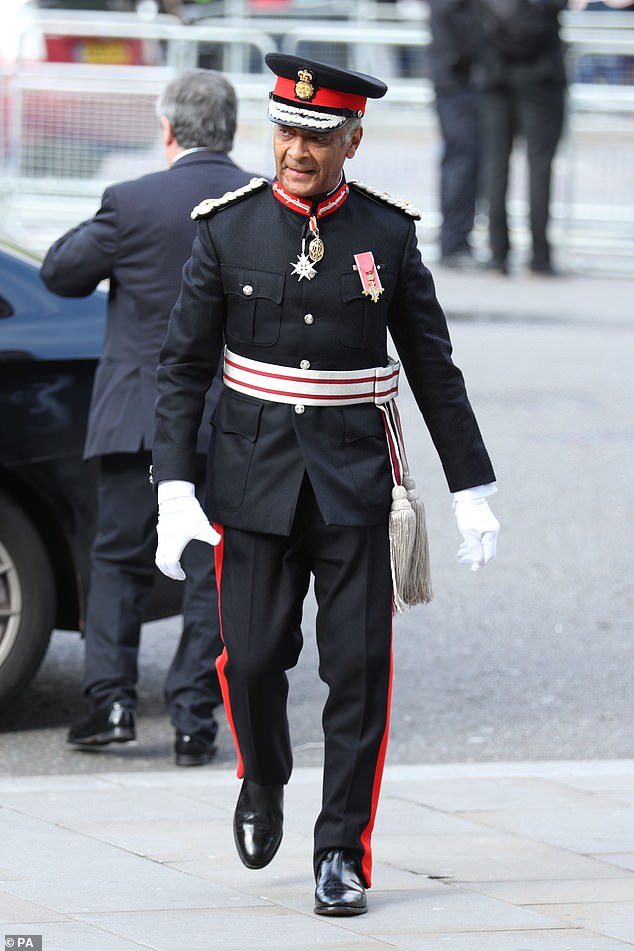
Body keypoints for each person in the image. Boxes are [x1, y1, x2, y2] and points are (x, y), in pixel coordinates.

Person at [151, 54, 500, 913]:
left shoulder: (388, 233)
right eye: (286, 130)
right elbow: (183, 367)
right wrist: (173, 487)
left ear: (352, 140)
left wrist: (471, 486)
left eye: (315, 135)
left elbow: (432, 367)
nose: (296, 148)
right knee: (255, 660)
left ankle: (341, 850)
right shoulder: (226, 228)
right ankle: (263, 776)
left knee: (361, 668)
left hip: (354, 483)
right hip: (253, 478)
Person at [40, 68, 255, 766]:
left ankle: (110, 703)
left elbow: (60, 272)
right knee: (210, 567)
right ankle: (195, 720)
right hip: (229, 417)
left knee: (118, 558)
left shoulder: (131, 201)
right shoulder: (261, 201)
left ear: (167, 131)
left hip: (139, 413)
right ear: (232, 130)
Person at [474, 0, 568, 275]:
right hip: (541, 77)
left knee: (496, 166)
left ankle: (497, 256)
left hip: (495, 76)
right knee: (540, 167)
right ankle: (540, 258)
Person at [429, 0, 483, 269]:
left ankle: (458, 241)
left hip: (458, 76)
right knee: (462, 160)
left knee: (466, 161)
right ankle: (454, 244)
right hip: (456, 79)